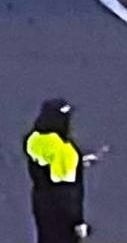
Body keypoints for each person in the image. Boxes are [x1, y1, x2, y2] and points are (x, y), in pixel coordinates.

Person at [24, 99, 94, 243]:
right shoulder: (63, 150)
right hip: (61, 214)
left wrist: (78, 162)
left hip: (41, 202)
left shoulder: (34, 139)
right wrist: (77, 221)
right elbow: (67, 190)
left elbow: (45, 165)